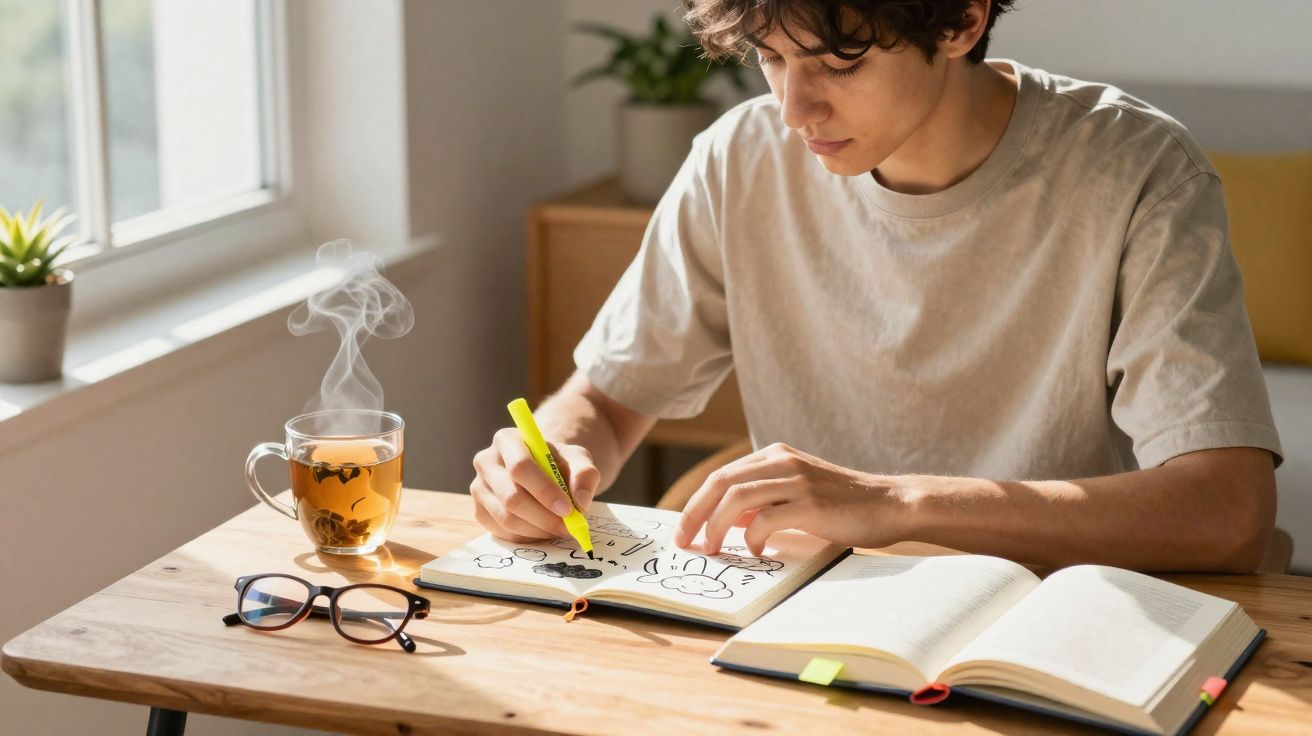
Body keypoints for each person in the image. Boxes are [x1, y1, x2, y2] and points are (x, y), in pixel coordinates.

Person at [469, 0, 1282, 572]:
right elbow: (609, 399)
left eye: (839, 63)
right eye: (771, 58)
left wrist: (894, 503)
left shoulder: (1137, 170)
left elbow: (1228, 511)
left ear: (962, 21)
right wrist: (550, 455)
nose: (794, 109)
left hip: (1047, 608)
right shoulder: (737, 157)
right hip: (803, 608)